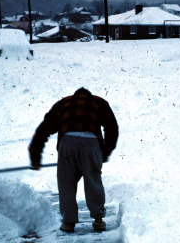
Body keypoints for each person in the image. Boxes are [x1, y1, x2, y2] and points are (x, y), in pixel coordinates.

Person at [28, 87, 119, 232]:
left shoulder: (63, 103)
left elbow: (43, 130)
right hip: (91, 143)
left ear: (75, 95)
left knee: (66, 183)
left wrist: (35, 157)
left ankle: (68, 223)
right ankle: (98, 220)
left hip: (67, 144)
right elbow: (112, 128)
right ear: (88, 95)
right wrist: (104, 153)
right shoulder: (99, 102)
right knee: (92, 180)